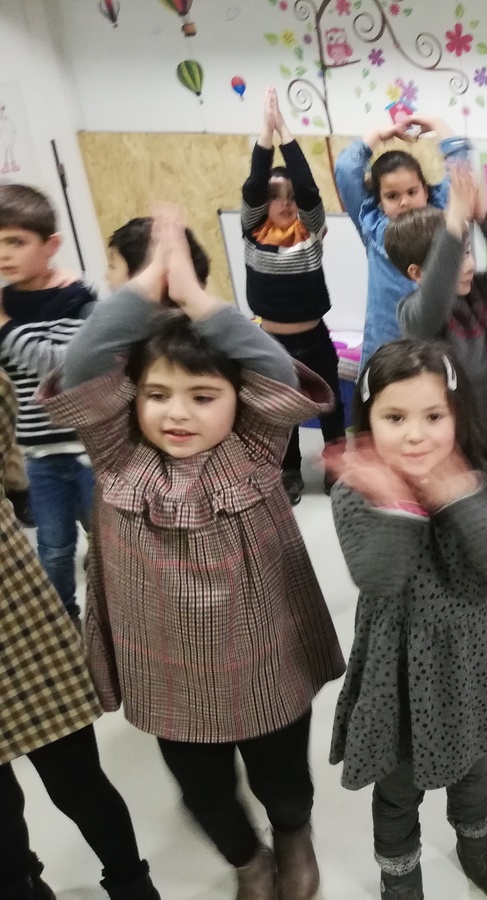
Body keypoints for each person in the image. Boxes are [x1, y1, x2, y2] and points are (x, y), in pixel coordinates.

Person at [41, 209, 345, 900]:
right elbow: (84, 366)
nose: (177, 414)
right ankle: (247, 859)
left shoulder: (256, 444)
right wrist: (147, 283)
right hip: (167, 672)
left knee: (283, 782)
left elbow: (274, 369)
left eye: (203, 397)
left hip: (263, 658)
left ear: (240, 401)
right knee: (203, 792)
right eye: (157, 396)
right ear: (133, 401)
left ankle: (292, 837)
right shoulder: (119, 450)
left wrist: (199, 299)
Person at [328, 341, 487, 900]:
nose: (415, 435)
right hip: (399, 668)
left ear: (458, 415)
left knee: (473, 763)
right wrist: (397, 503)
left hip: (472, 655)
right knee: (397, 785)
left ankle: (476, 839)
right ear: (368, 421)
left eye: (433, 417)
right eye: (395, 418)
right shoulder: (356, 491)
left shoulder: (480, 475)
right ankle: (399, 873)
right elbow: (378, 576)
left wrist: (454, 495)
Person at [0, 369, 160, 900]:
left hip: (15, 619)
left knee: (78, 782)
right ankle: (21, 884)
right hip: (18, 610)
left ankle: (132, 887)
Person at [241, 87, 344, 504]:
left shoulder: (311, 230)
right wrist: (265, 135)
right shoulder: (252, 231)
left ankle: (336, 467)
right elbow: (253, 185)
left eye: (290, 198)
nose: (284, 204)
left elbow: (309, 189)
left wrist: (286, 131)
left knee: (330, 407)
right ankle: (288, 470)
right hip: (272, 342)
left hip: (314, 338)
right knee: (281, 410)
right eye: (274, 198)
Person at [0, 183, 96, 618]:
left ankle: (115, 619)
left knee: (107, 544)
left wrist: (4, 326)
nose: (5, 255)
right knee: (54, 548)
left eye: (16, 242)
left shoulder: (76, 300)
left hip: (87, 449)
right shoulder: (6, 304)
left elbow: (57, 368)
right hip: (38, 454)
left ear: (50, 245)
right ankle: (65, 620)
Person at [390, 164, 487, 458]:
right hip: (456, 443)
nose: (468, 265)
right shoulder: (413, 314)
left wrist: (483, 217)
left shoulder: (480, 292)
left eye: (466, 252)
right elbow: (435, 296)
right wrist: (452, 225)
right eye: (455, 259)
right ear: (417, 273)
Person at [334, 113, 466, 364]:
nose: (405, 202)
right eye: (392, 196)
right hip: (387, 346)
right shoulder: (372, 225)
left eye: (412, 192)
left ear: (425, 190)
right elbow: (345, 169)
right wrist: (377, 135)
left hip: (438, 346)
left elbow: (462, 167)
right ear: (379, 202)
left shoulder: (441, 215)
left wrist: (437, 124)